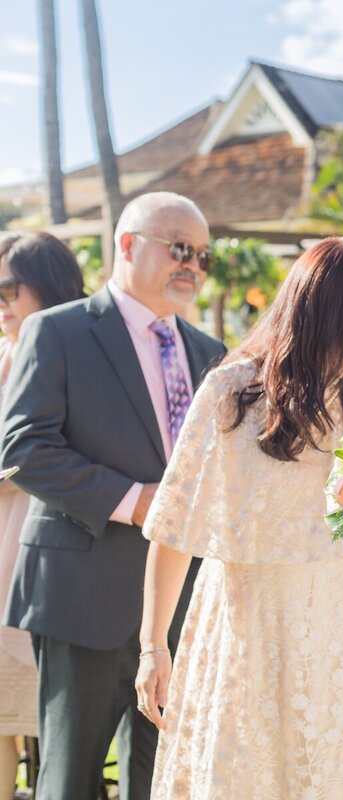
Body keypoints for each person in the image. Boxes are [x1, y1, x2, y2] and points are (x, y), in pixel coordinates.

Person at [132, 237, 343, 798]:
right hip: (246, 629)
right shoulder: (230, 393)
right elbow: (176, 526)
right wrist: (154, 646)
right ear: (326, 312)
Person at [0, 192, 226, 800]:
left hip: (179, 604)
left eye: (203, 256)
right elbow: (23, 447)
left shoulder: (209, 354)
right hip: (82, 597)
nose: (193, 266)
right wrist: (136, 500)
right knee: (70, 780)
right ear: (126, 245)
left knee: (164, 777)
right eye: (180, 249)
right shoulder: (58, 330)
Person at [0, 232, 84, 796]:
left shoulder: (77, 354)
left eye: (8, 288)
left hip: (46, 549)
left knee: (58, 719)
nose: (1, 302)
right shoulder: (6, 353)